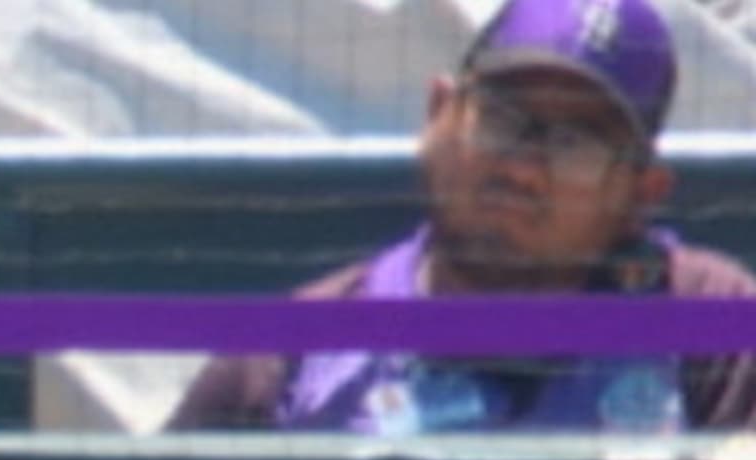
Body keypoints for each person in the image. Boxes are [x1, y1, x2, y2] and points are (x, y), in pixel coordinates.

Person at [171, 0, 756, 436]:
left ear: (640, 194)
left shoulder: (716, 337)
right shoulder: (287, 365)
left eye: (575, 144)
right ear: (438, 114)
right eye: (501, 118)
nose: (524, 169)